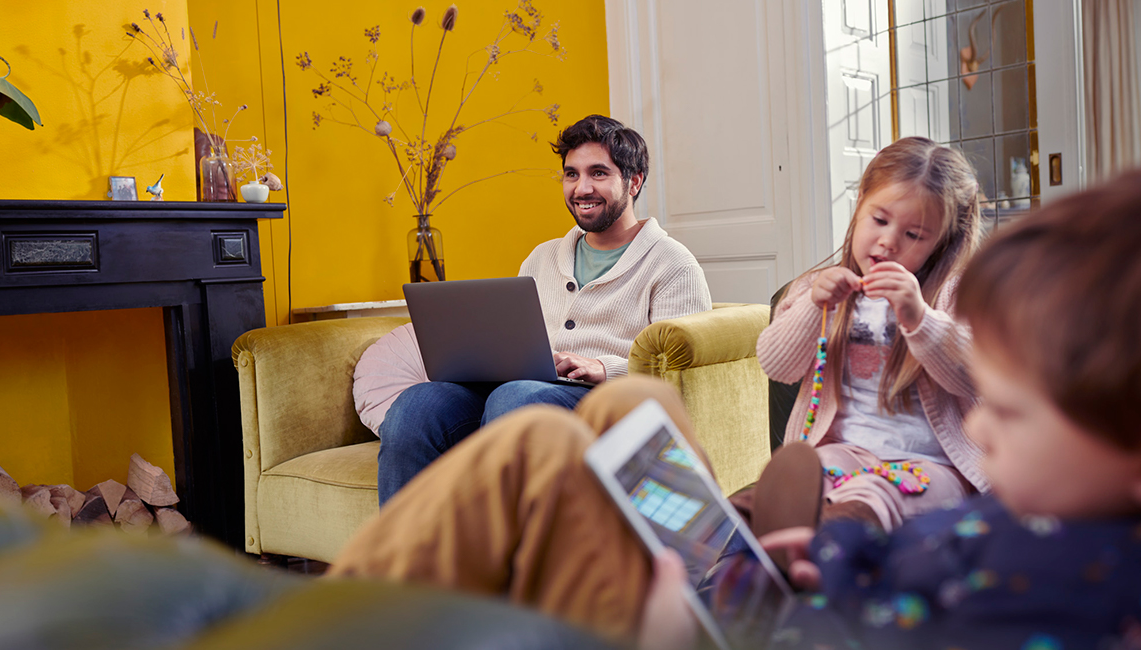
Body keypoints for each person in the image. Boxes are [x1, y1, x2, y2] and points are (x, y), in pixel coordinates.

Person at [327, 171, 1141, 649]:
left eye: (1015, 408)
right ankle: (719, 543)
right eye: (878, 220)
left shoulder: (1081, 584)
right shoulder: (1033, 534)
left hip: (735, 631)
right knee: (632, 411)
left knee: (538, 436)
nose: (985, 420)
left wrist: (687, 617)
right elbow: (778, 365)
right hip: (754, 600)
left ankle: (363, 624)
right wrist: (796, 563)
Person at [376, 114, 711, 504]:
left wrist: (604, 368)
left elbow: (681, 376)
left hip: (601, 404)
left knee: (516, 400)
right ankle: (407, 561)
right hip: (520, 391)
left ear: (633, 182)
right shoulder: (542, 257)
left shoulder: (673, 264)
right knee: (416, 405)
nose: (581, 188)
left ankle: (508, 559)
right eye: (571, 174)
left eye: (598, 173)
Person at [745, 137, 985, 535]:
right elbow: (776, 365)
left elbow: (976, 376)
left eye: (914, 235)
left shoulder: (955, 295)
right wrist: (813, 308)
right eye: (880, 220)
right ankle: (745, 535)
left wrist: (919, 317)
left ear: (940, 243)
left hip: (937, 467)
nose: (890, 240)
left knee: (874, 493)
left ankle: (828, 546)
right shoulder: (815, 288)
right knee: (802, 479)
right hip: (846, 451)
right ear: (859, 207)